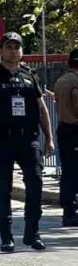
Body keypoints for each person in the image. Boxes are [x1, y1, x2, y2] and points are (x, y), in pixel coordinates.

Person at [0, 32, 54, 251]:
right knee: (2, 188)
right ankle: (6, 236)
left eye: (17, 47)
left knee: (35, 183)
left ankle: (32, 233)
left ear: (22, 51)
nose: (13, 51)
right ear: (1, 51)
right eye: (9, 47)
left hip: (28, 139)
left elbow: (42, 109)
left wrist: (49, 139)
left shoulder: (29, 76)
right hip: (0, 140)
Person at [54, 49, 78, 227]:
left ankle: (68, 210)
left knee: (68, 171)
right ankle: (71, 212)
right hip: (76, 128)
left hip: (64, 128)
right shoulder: (76, 82)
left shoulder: (61, 81)